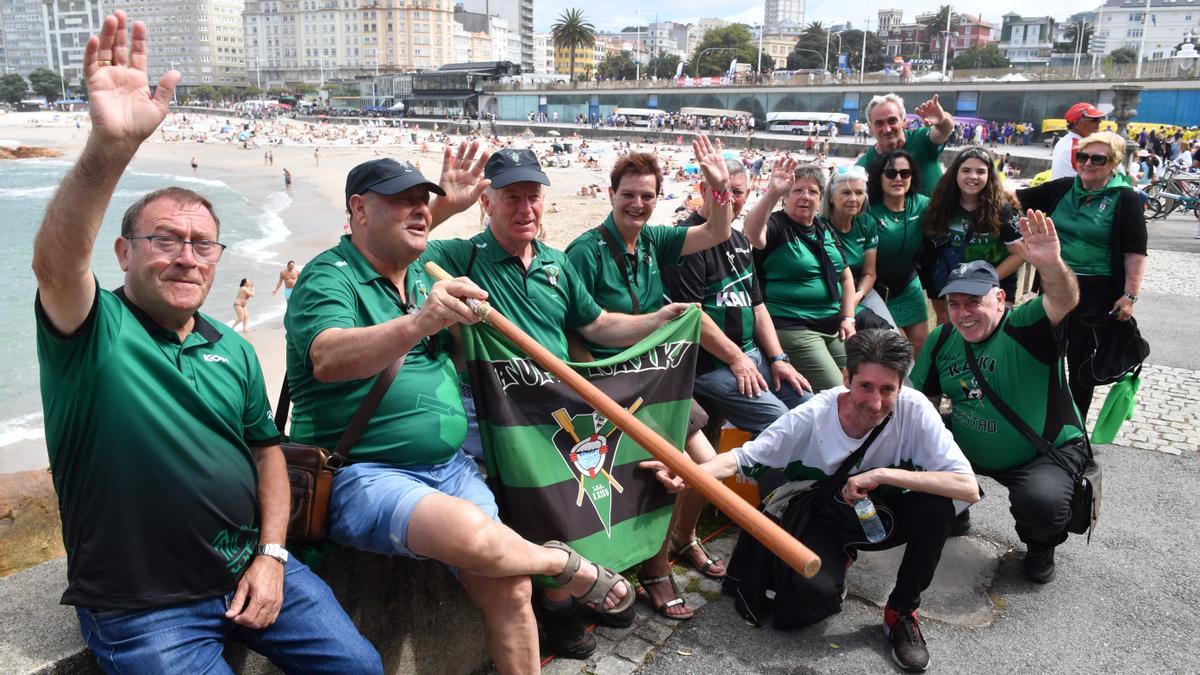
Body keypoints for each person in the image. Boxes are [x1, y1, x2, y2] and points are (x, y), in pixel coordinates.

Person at [31, 12, 382, 672]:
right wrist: (109, 147)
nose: (187, 257)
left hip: (250, 567)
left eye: (202, 244)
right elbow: (56, 264)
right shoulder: (92, 333)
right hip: (141, 607)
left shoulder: (234, 349)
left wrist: (272, 554)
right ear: (124, 253)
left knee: (359, 666)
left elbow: (267, 454)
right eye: (164, 240)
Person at [284, 151, 634, 674]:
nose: (419, 210)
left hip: (448, 466)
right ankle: (565, 564)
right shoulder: (329, 276)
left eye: (422, 201)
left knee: (512, 587)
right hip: (364, 470)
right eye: (401, 201)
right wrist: (421, 322)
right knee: (473, 533)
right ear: (358, 208)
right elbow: (327, 357)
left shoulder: (419, 275)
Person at [423, 146, 693, 658]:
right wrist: (444, 207)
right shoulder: (462, 256)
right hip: (494, 411)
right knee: (531, 498)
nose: (525, 208)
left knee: (600, 480)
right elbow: (404, 249)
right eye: (511, 197)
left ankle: (592, 579)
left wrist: (657, 320)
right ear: (488, 203)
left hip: (556, 407)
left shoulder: (555, 262)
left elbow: (597, 325)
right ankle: (557, 602)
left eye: (533, 196)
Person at [644, 329, 981, 673]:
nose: (875, 403)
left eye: (887, 390)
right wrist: (686, 472)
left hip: (886, 511)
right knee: (801, 609)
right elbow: (742, 458)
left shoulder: (916, 409)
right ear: (846, 378)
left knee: (937, 507)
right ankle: (838, 560)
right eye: (865, 386)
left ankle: (901, 612)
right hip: (825, 514)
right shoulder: (814, 414)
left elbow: (968, 487)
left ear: (900, 387)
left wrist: (882, 475)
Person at [565, 149, 733, 623]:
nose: (638, 204)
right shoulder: (586, 251)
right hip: (608, 383)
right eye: (629, 195)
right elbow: (573, 327)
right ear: (611, 194)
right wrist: (598, 391)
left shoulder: (653, 241)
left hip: (657, 377)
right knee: (667, 469)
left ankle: (682, 536)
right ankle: (656, 571)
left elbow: (717, 232)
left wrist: (719, 188)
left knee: (709, 467)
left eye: (647, 196)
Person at [910, 212, 1085, 584]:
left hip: (1039, 452)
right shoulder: (942, 338)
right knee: (911, 447)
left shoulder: (1025, 325)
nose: (963, 313)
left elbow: (1064, 298)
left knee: (1043, 502)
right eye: (954, 303)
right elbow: (919, 404)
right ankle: (954, 507)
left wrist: (1051, 265)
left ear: (1000, 298)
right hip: (969, 443)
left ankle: (1041, 544)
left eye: (974, 301)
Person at [664, 156, 811, 435]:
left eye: (737, 191)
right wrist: (736, 358)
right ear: (703, 190)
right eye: (721, 190)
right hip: (710, 363)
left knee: (808, 405)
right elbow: (692, 316)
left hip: (752, 354)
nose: (729, 199)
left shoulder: (740, 240)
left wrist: (779, 358)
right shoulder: (687, 240)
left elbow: (757, 307)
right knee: (779, 423)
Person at [1016, 131, 1148, 414]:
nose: (1087, 163)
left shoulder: (1126, 199)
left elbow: (1135, 253)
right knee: (1041, 353)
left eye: (1098, 159)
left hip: (1096, 294)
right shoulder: (1064, 187)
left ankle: (1074, 428)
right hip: (1054, 283)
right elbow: (1015, 199)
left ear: (1113, 164)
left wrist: (1129, 296)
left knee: (1080, 365)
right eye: (1082, 156)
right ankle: (1040, 419)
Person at [743, 158, 858, 392]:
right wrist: (772, 193)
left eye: (812, 191)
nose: (805, 196)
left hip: (833, 327)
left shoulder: (823, 229)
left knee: (864, 377)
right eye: (797, 190)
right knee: (841, 391)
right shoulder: (777, 226)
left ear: (821, 198)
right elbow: (752, 234)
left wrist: (848, 318)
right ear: (786, 196)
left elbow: (846, 277)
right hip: (794, 328)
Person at [920, 147, 1025, 324]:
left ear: (989, 176)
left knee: (994, 328)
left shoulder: (1003, 210)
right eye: (966, 170)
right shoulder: (941, 205)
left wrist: (987, 280)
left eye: (980, 172)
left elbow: (1019, 253)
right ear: (955, 173)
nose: (973, 176)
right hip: (947, 278)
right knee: (947, 325)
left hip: (993, 282)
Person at [865, 149, 933, 355]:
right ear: (879, 177)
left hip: (908, 286)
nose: (898, 178)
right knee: (898, 349)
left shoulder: (922, 204)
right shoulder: (867, 209)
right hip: (876, 291)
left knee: (922, 346)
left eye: (905, 173)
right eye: (890, 173)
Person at [823, 165, 896, 329]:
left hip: (861, 291)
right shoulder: (819, 227)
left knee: (892, 335)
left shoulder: (867, 223)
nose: (853, 199)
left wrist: (856, 297)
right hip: (831, 294)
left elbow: (869, 273)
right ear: (831, 197)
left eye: (859, 192)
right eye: (846, 192)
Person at [856, 93, 954, 197]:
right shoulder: (863, 167)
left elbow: (944, 130)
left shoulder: (922, 139)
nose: (887, 129)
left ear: (904, 122)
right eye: (879, 123)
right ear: (870, 129)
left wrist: (942, 120)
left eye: (892, 121)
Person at [1050, 103, 1106, 180]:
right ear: (1077, 124)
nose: (1099, 122)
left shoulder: (1064, 141)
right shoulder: (1080, 147)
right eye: (1094, 119)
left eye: (1099, 119)